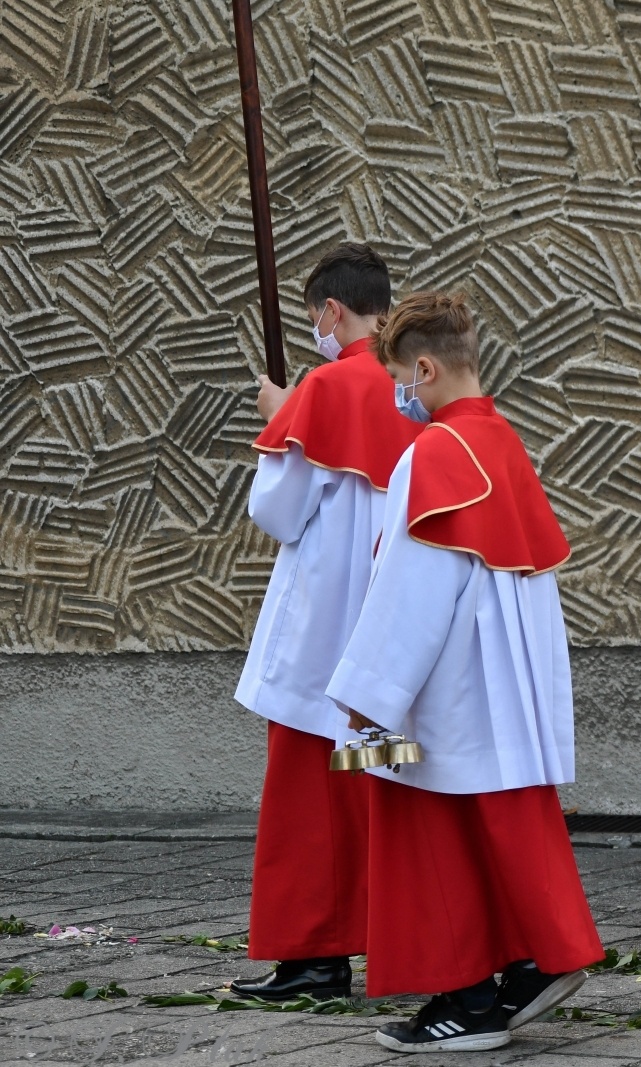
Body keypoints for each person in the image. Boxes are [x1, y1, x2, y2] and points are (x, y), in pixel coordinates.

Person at [325, 292, 602, 1052]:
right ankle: (523, 962)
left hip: (447, 677)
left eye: (398, 380)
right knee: (501, 824)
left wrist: (369, 695)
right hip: (503, 676)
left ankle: (469, 997)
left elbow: (413, 588)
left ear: (422, 367)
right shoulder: (502, 440)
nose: (398, 398)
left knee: (432, 834)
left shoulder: (434, 452)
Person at [233, 243, 422, 1002]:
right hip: (392, 618)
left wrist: (284, 417)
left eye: (316, 317)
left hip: (322, 623)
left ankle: (314, 952)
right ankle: (400, 941)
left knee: (310, 794)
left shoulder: (324, 385)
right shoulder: (418, 384)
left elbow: (275, 510)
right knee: (384, 777)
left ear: (330, 312)